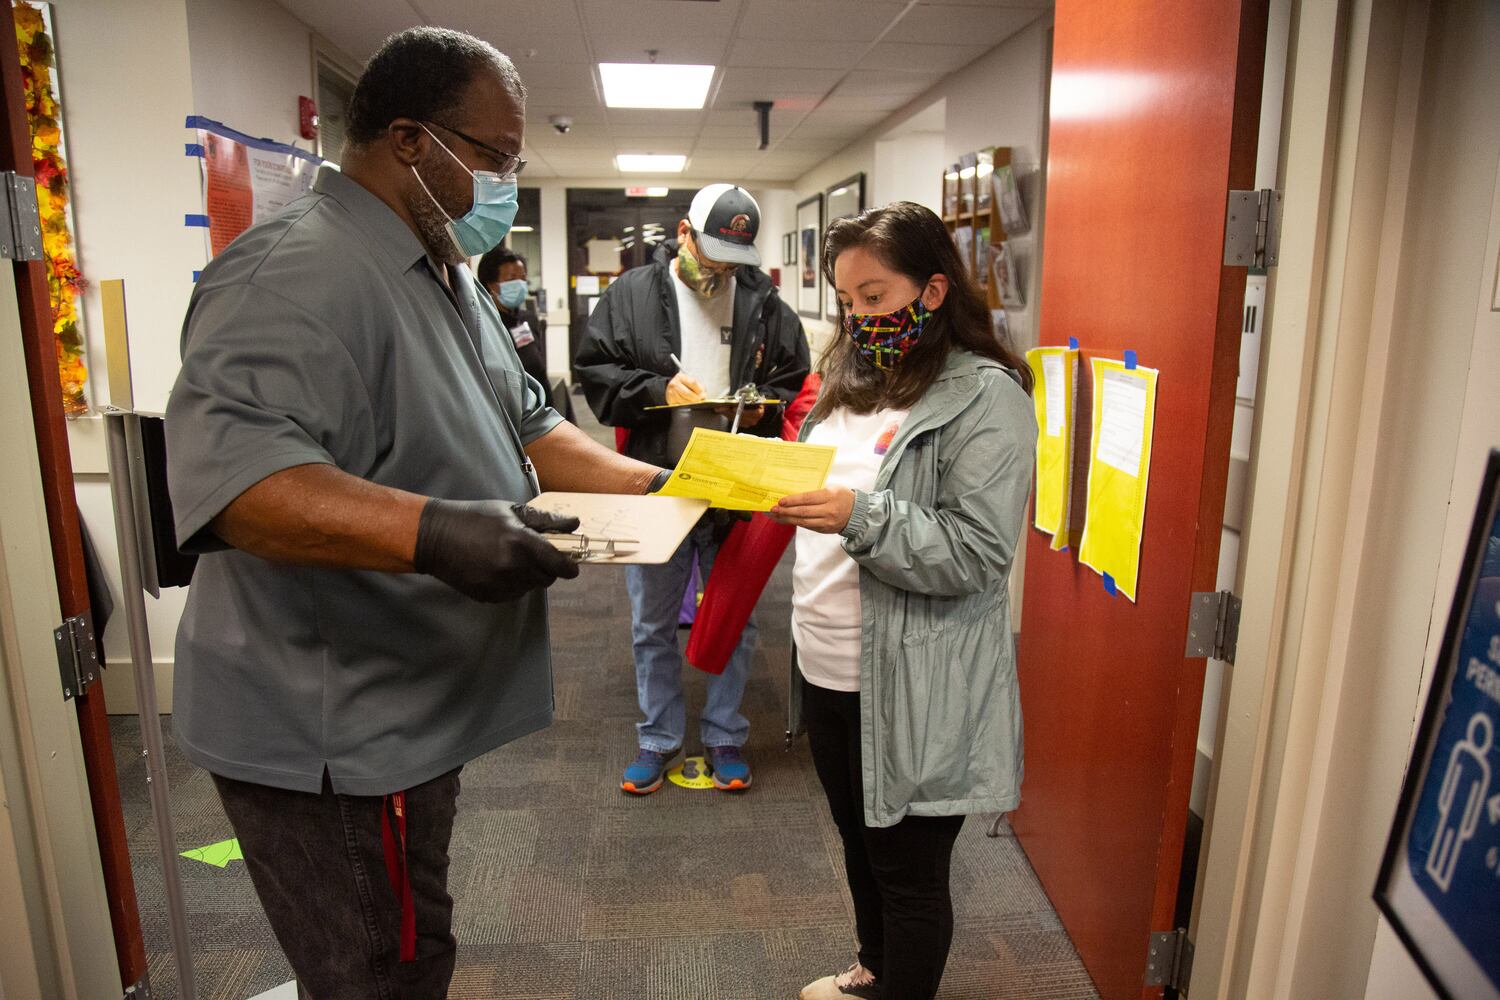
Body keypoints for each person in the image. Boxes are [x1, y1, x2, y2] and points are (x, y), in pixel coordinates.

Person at [164, 28, 667, 999]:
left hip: (410, 703)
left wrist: (660, 488)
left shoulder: (440, 270)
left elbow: (527, 421)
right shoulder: (292, 273)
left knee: (411, 935)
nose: (505, 184)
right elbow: (239, 485)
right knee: (378, 967)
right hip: (332, 729)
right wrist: (439, 533)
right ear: (408, 139)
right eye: (494, 157)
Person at [769, 202, 1035, 1000]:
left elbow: (976, 551)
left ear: (933, 290)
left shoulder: (985, 396)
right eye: (847, 300)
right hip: (826, 661)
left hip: (915, 678)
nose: (858, 317)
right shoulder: (850, 380)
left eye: (875, 296)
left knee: (908, 871)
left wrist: (858, 514)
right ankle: (874, 971)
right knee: (859, 845)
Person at [575, 183, 810, 794]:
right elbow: (595, 373)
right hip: (659, 482)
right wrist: (657, 390)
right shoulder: (631, 294)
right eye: (712, 256)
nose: (722, 270)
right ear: (684, 234)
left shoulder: (763, 301)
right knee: (652, 623)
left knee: (734, 618)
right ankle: (657, 737)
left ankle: (725, 733)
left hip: (733, 484)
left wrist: (762, 405)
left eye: (734, 260)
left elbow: (792, 377)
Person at [477, 245, 550, 395]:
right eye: (511, 278)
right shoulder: (483, 324)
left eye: (523, 278)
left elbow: (538, 367)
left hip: (538, 397)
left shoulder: (528, 319)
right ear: (491, 285)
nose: (520, 284)